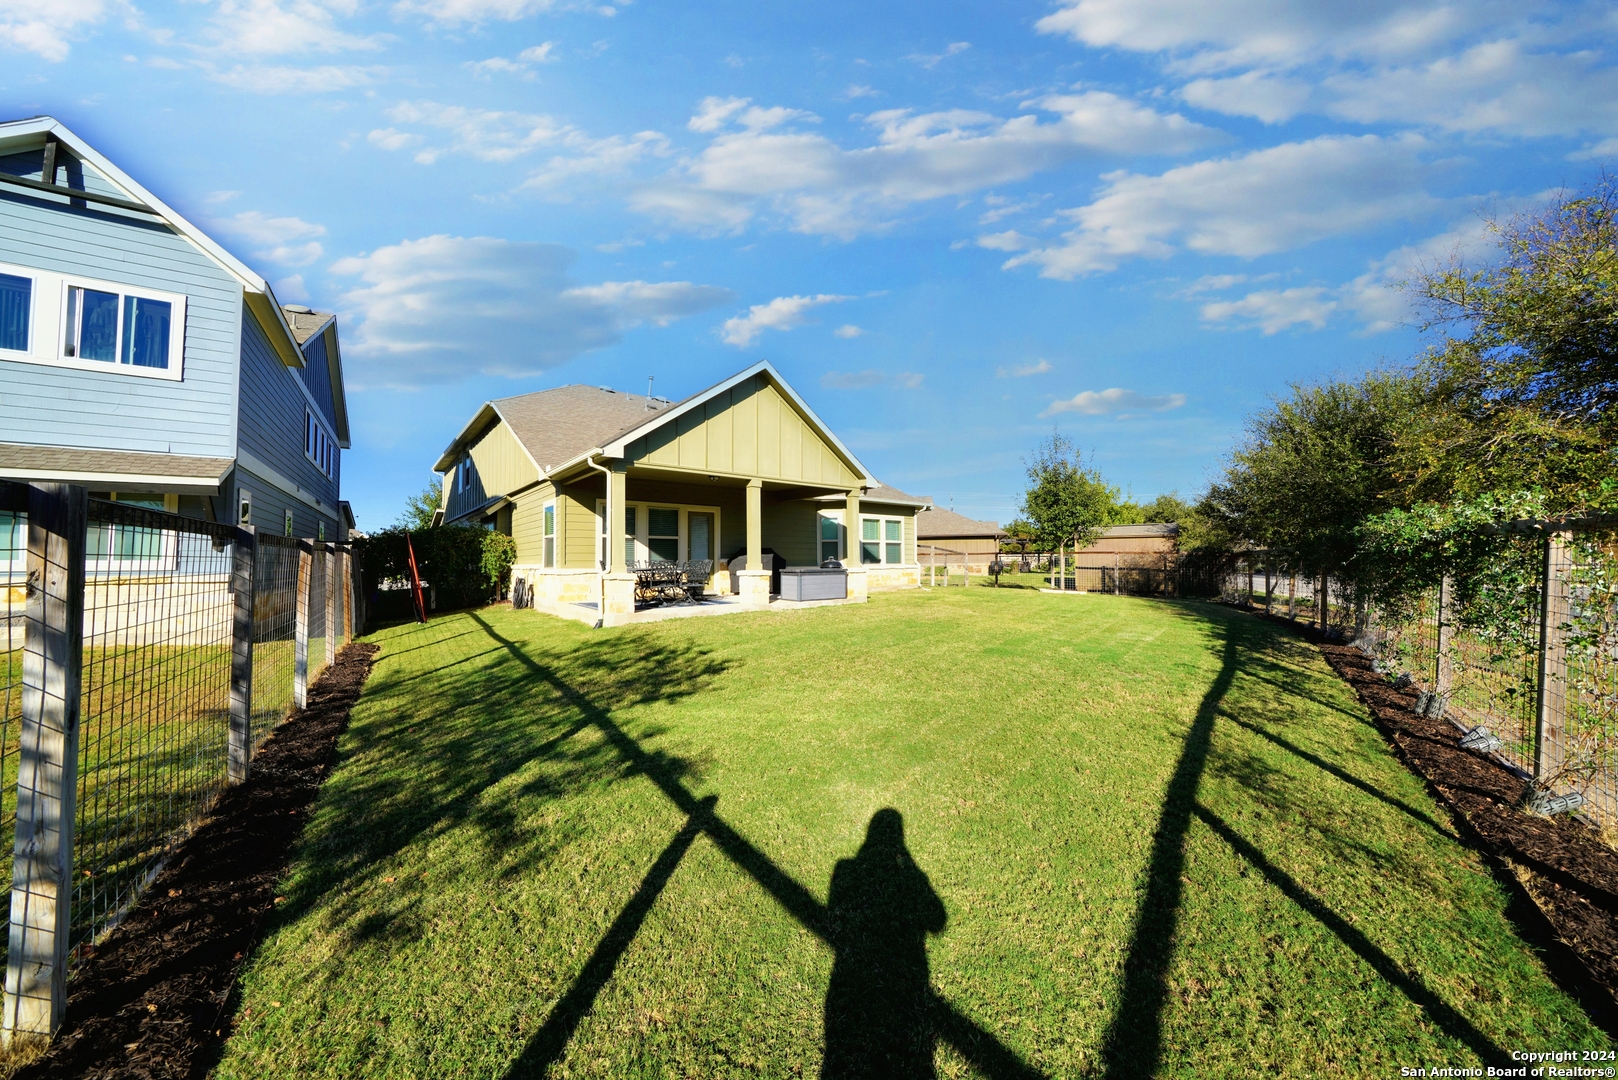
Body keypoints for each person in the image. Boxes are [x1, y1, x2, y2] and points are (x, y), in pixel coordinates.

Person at [822, 809, 947, 1079]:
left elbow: (833, 916)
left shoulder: (845, 868)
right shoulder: (907, 876)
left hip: (849, 974)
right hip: (904, 971)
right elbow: (937, 919)